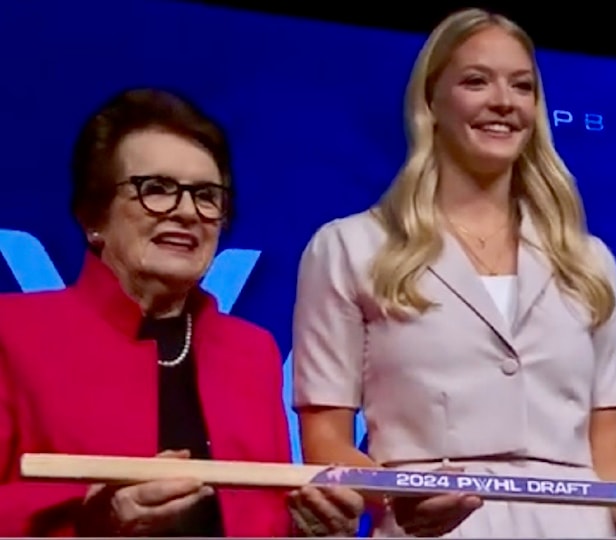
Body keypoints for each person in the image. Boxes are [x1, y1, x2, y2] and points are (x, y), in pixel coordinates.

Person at [291, 8, 616, 539]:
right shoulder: (350, 246)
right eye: (476, 81)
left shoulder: (587, 262)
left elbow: (607, 448)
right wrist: (397, 495)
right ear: (431, 101)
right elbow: (324, 440)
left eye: (522, 86)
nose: (503, 101)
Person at [0, 88, 364, 537]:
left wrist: (309, 528)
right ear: (93, 216)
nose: (187, 211)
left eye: (207, 196)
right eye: (156, 189)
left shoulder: (251, 351)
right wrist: (94, 518)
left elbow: (260, 518)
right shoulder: (12, 331)